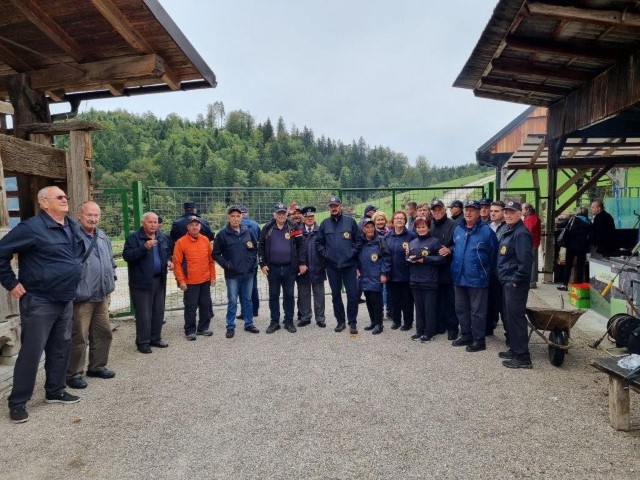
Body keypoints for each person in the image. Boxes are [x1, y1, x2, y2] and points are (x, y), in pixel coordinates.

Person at [0, 186, 84, 423]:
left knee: (61, 347)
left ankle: (55, 390)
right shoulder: (32, 228)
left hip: (65, 298)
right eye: (59, 197)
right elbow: (1, 252)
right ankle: (17, 402)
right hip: (40, 300)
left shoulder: (71, 225)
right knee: (32, 352)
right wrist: (11, 282)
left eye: (66, 196)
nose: (65, 199)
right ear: (44, 203)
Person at [66, 201, 117, 390]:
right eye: (89, 215)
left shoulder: (102, 236)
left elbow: (110, 260)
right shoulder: (73, 237)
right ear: (80, 215)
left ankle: (97, 367)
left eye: (96, 215)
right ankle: (73, 374)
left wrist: (112, 276)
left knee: (104, 333)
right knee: (79, 337)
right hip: (82, 297)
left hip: (101, 295)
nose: (93, 219)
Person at [450, 201, 498, 352]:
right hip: (459, 277)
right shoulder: (458, 229)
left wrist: (485, 271)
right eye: (467, 210)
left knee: (478, 312)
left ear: (478, 213)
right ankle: (466, 335)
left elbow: (494, 255)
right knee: (461, 309)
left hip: (478, 278)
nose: (468, 213)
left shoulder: (487, 232)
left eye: (472, 210)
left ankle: (479, 340)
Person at [123, 212, 173, 354]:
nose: (153, 225)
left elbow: (168, 252)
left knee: (158, 311)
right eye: (150, 222)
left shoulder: (162, 237)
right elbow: (127, 256)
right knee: (144, 314)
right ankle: (143, 342)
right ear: (143, 223)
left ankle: (155, 338)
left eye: (155, 222)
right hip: (142, 281)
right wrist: (144, 247)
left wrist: (169, 261)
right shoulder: (134, 237)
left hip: (159, 279)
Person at [317, 195, 363, 334]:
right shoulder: (325, 224)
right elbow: (319, 243)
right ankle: (340, 321)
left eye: (336, 206)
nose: (334, 208)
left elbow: (359, 240)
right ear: (329, 208)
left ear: (340, 206)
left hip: (349, 265)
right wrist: (326, 254)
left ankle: (352, 322)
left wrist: (351, 253)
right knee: (336, 295)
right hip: (332, 266)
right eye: (331, 206)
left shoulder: (350, 222)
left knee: (352, 294)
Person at [259, 203, 307, 334]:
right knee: (273, 295)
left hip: (289, 268)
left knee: (289, 295)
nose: (281, 215)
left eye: (283, 213)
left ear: (287, 214)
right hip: (272, 269)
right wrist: (262, 264)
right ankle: (274, 322)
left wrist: (302, 263)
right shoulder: (267, 228)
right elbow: (261, 246)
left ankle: (289, 321)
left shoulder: (294, 227)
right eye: (278, 213)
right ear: (274, 214)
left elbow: (301, 245)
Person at [214, 206, 261, 338]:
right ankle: (230, 326)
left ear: (241, 217)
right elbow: (216, 254)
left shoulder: (248, 231)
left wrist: (251, 262)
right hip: (232, 274)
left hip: (248, 273)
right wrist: (226, 264)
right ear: (229, 218)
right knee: (233, 301)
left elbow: (254, 248)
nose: (235, 219)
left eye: (238, 216)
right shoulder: (222, 234)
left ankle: (249, 323)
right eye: (233, 216)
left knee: (247, 299)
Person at [497, 201, 534, 369]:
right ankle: (515, 349)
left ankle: (523, 357)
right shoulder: (510, 230)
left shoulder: (521, 233)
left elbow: (525, 262)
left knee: (516, 318)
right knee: (509, 317)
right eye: (506, 212)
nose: (508, 215)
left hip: (515, 284)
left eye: (512, 212)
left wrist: (514, 281)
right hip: (507, 281)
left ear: (520, 213)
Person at [173, 216, 216, 340]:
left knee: (205, 305)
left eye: (197, 225)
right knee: (190, 307)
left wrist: (212, 276)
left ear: (200, 226)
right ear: (187, 227)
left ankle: (203, 328)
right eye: (192, 225)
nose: (194, 227)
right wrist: (181, 280)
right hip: (190, 281)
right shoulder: (181, 242)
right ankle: (190, 330)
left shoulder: (205, 240)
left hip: (205, 279)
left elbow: (211, 260)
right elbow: (177, 263)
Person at [407, 216, 446, 342]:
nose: (421, 229)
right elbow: (408, 258)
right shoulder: (412, 243)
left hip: (429, 280)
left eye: (423, 226)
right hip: (415, 279)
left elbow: (442, 259)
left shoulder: (435, 242)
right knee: (418, 308)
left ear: (428, 227)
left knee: (429, 308)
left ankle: (429, 333)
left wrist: (424, 259)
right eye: (418, 227)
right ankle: (419, 330)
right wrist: (409, 258)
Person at [429, 200, 458, 339]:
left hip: (448, 268)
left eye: (439, 209)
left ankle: (452, 328)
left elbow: (459, 243)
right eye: (434, 210)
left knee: (450, 300)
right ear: (431, 211)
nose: (437, 212)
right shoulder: (430, 225)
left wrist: (449, 249)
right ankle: (439, 326)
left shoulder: (453, 224)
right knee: (437, 299)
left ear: (445, 209)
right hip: (433, 269)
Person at [384, 211, 416, 330]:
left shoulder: (411, 236)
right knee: (394, 300)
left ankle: (408, 322)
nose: (399, 220)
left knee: (407, 300)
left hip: (406, 274)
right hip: (392, 274)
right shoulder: (387, 237)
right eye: (397, 218)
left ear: (405, 221)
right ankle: (396, 320)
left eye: (402, 218)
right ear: (393, 221)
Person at [357, 218, 391, 334]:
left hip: (376, 275)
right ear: (363, 229)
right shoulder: (360, 241)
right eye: (367, 227)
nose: (370, 229)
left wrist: (383, 273)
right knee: (368, 299)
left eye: (372, 227)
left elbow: (386, 258)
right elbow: (356, 256)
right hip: (364, 275)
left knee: (376, 300)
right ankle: (373, 322)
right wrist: (357, 269)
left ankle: (379, 324)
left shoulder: (380, 240)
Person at [297, 206, 327, 328]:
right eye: (307, 216)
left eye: (312, 216)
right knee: (303, 294)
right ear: (303, 218)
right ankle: (305, 317)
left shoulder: (320, 231)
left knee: (319, 295)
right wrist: (299, 264)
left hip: (318, 267)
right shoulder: (298, 231)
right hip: (302, 268)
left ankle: (320, 318)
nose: (310, 218)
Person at [557, 208, 591, 291]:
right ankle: (579, 285)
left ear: (578, 213)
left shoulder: (573, 219)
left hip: (571, 246)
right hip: (582, 247)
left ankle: (565, 284)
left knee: (568, 265)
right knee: (580, 266)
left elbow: (559, 225)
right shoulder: (589, 222)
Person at [487, 201, 507, 338]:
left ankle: (510, 335)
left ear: (503, 212)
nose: (493, 213)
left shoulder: (507, 228)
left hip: (502, 271)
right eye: (492, 211)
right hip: (489, 271)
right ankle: (488, 328)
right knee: (489, 302)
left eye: (496, 211)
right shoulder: (488, 227)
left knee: (504, 305)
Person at [238, 204, 260, 320]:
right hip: (253, 260)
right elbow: (259, 241)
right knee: (253, 285)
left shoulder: (237, 225)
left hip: (241, 261)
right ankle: (255, 310)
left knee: (242, 286)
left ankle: (245, 311)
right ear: (247, 212)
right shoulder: (255, 224)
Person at [522, 203, 541, 288]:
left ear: (527, 210)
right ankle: (531, 281)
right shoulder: (531, 218)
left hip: (531, 243)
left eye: (522, 209)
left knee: (531, 262)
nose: (521, 211)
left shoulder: (531, 219)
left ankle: (532, 282)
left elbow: (528, 231)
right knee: (532, 262)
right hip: (532, 242)